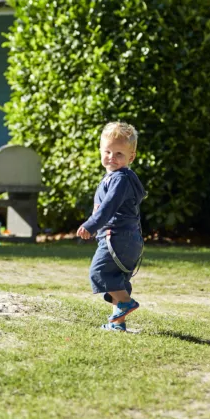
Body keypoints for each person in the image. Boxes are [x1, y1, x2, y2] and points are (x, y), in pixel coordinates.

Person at [76, 121, 146, 332]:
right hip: (129, 239)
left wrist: (91, 225)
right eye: (107, 152)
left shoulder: (120, 179)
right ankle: (117, 324)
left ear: (130, 157)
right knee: (117, 279)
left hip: (117, 237)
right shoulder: (118, 177)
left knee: (99, 273)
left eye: (119, 154)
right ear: (100, 151)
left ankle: (125, 303)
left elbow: (108, 207)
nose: (111, 158)